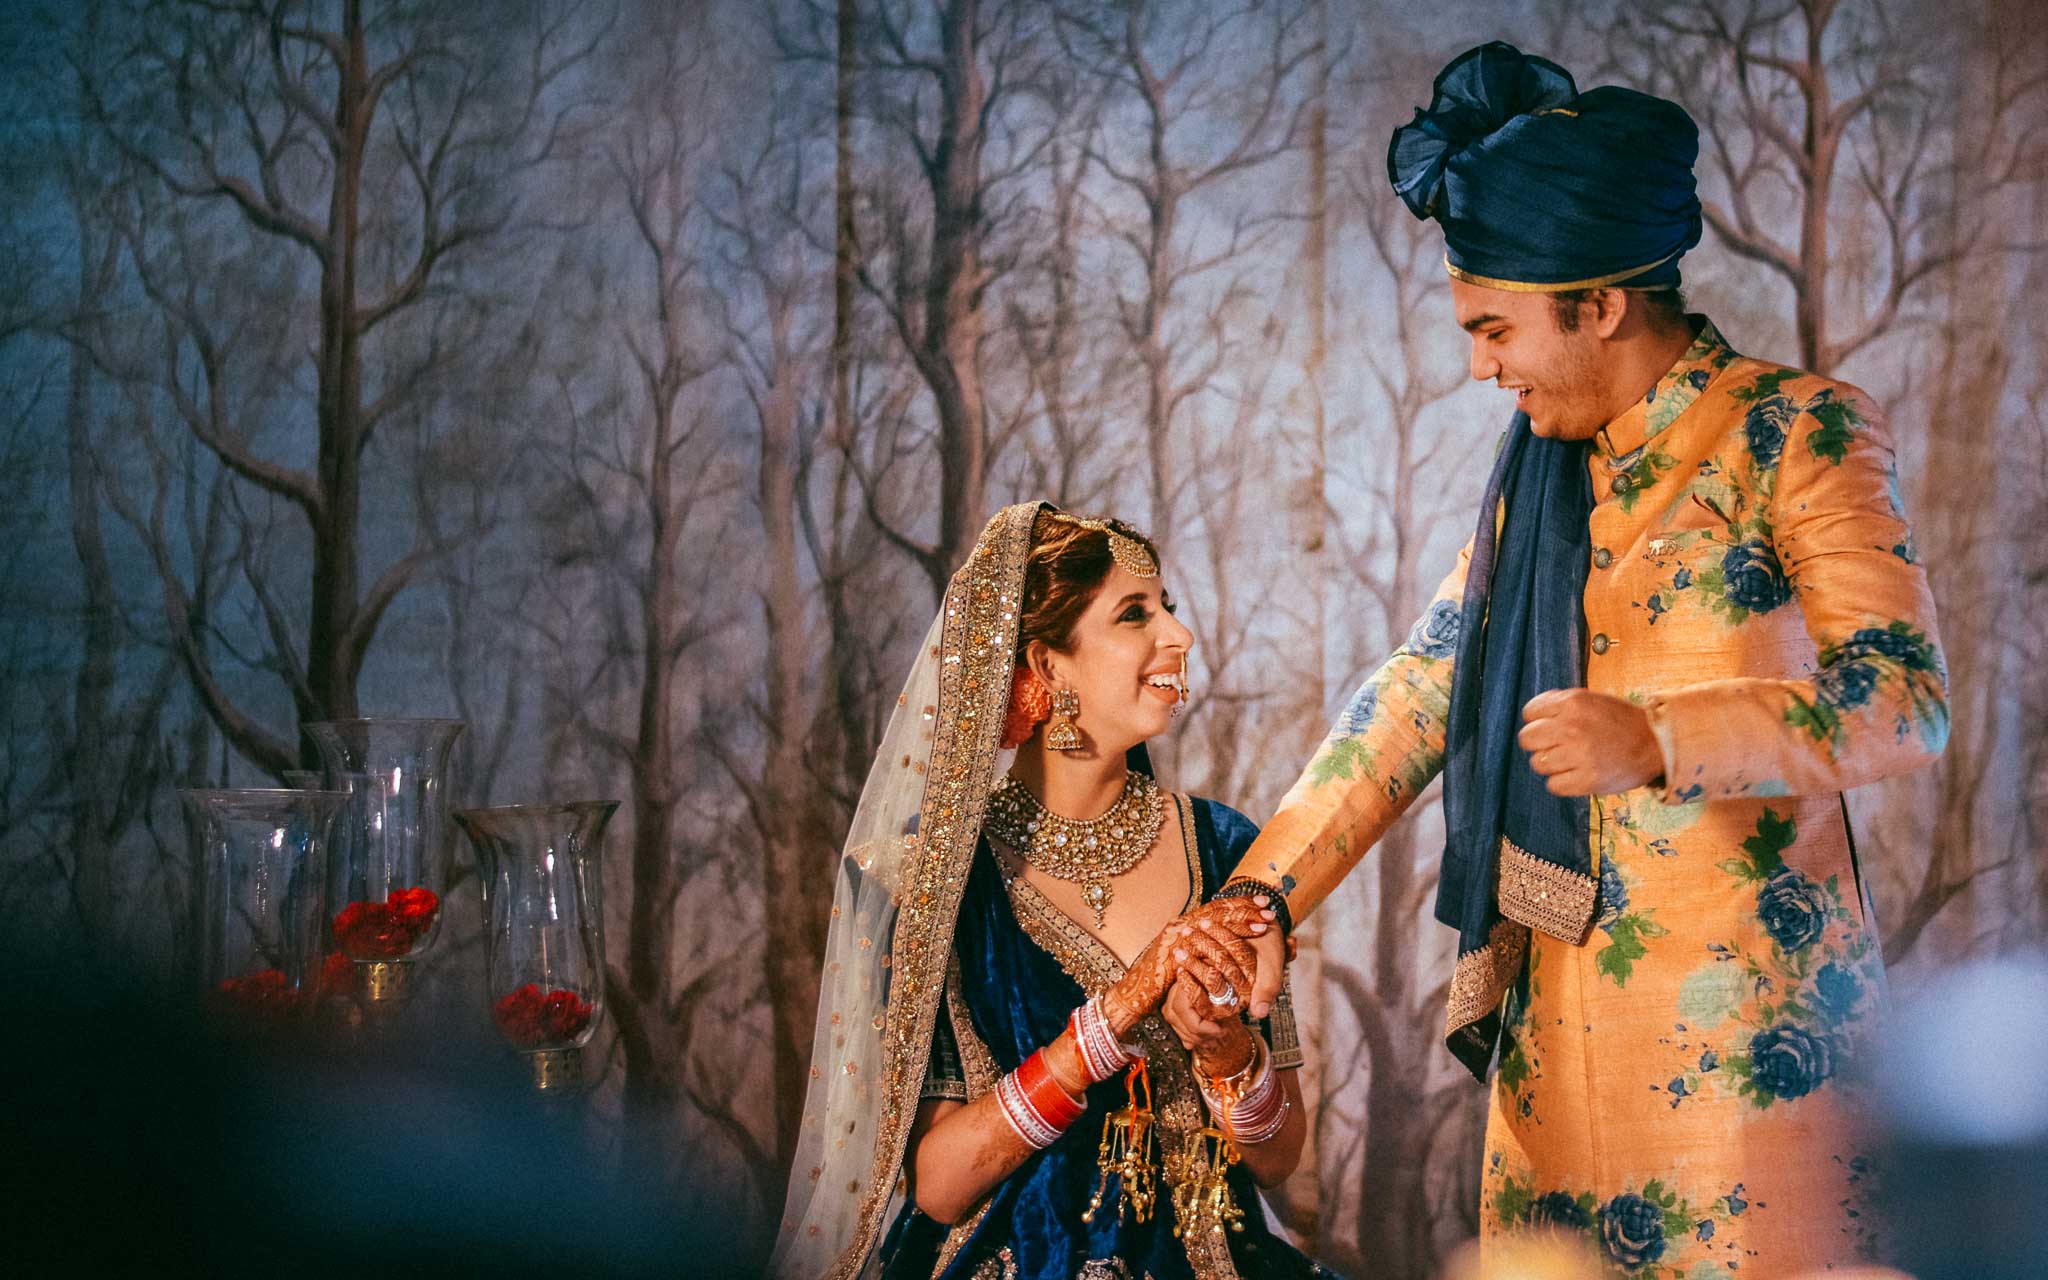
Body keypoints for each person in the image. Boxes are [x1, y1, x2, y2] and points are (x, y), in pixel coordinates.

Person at [1192, 41, 1949, 1276]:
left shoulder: (1795, 432)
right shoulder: (1537, 478)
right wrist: (1261, 893)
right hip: (1559, 1045)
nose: (1478, 364)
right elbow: (1425, 685)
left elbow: (1901, 700)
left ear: (1596, 304)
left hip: (1748, 1054)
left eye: (1493, 327)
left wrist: (1660, 737)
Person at [772, 503, 1330, 1280]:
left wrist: (1226, 1049)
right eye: (1135, 614)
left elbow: (1278, 1157)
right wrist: (1110, 1020)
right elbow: (936, 1185)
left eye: (1167, 607)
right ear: (1047, 664)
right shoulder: (940, 879)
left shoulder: (1229, 848)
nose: (1180, 635)